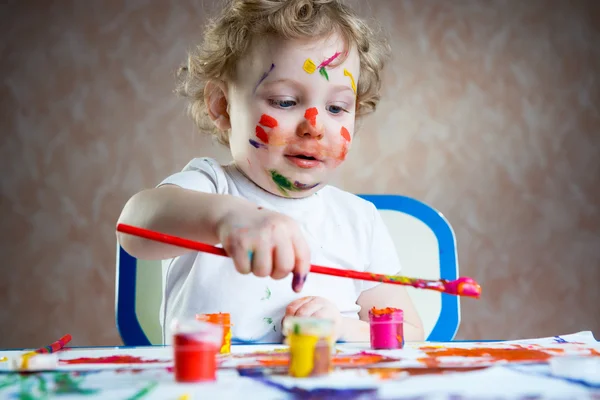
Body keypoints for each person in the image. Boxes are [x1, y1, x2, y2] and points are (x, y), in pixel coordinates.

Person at [117, 0, 424, 344]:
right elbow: (132, 228)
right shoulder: (210, 190)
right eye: (285, 102)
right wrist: (226, 218)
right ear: (222, 106)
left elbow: (409, 335)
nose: (315, 126)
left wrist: (341, 328)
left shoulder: (359, 221)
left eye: (336, 107)